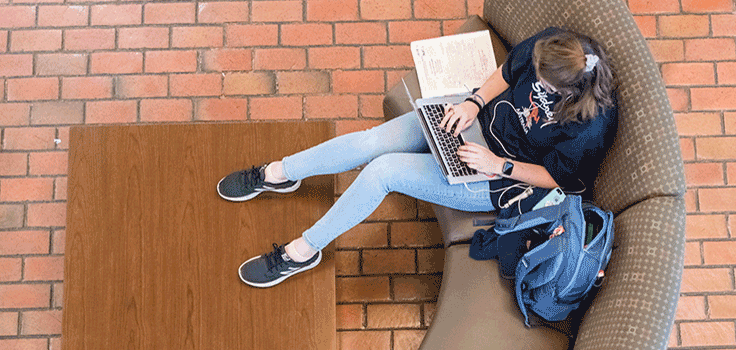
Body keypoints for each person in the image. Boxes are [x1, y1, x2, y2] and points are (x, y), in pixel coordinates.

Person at [217, 27, 618, 288]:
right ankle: (278, 173)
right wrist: (474, 102)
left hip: (499, 177)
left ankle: (302, 251)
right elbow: (506, 73)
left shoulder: (591, 124)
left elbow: (560, 180)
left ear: (567, 90)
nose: (534, 76)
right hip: (471, 126)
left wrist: (498, 165)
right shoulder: (553, 48)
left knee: (382, 172)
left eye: (543, 81)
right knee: (370, 143)